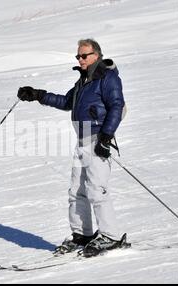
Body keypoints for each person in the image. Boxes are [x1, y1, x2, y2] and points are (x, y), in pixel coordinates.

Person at [17, 39, 128, 257]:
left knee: (97, 190)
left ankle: (111, 236)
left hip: (98, 139)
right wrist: (38, 95)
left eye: (84, 56)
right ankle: (82, 235)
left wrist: (106, 137)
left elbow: (117, 105)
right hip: (82, 140)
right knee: (76, 192)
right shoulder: (84, 81)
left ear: (96, 55)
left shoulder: (107, 78)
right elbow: (67, 101)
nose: (80, 59)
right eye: (77, 56)